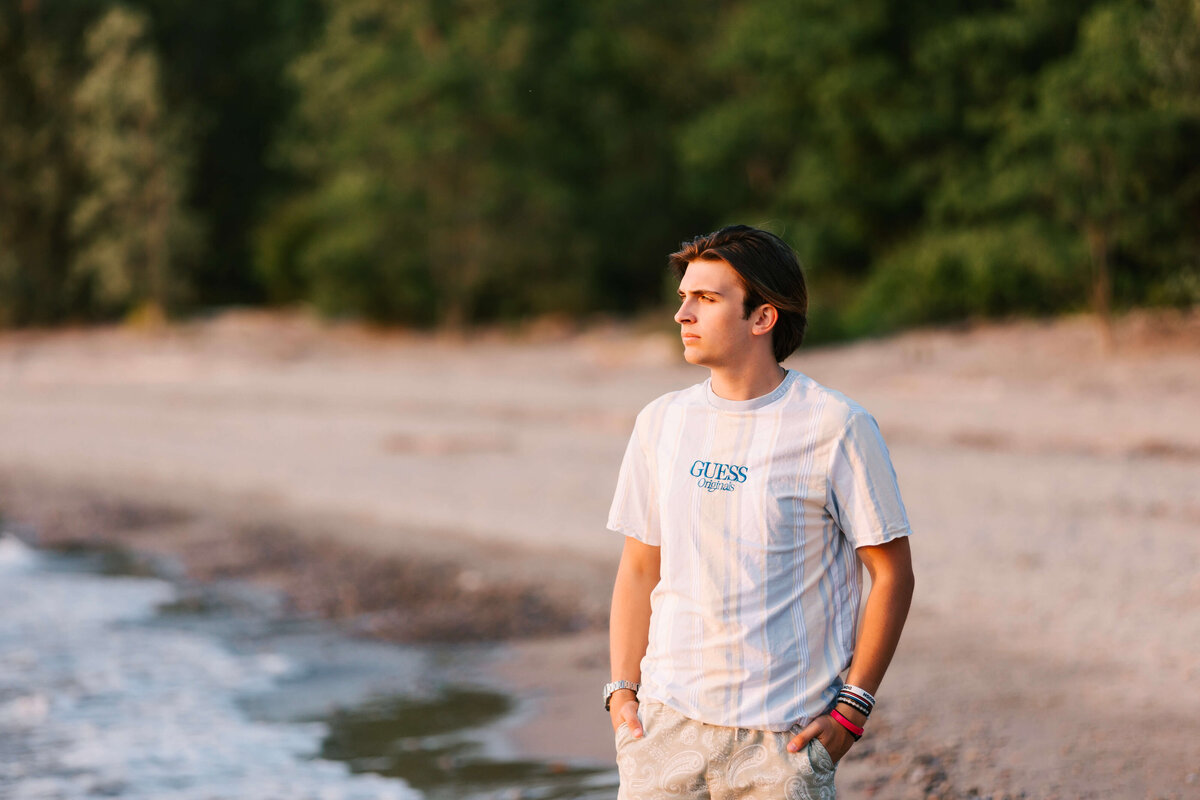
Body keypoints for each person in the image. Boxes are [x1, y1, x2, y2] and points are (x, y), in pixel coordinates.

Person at [604, 225, 915, 799]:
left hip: (783, 742)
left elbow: (892, 572)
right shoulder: (661, 422)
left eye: (707, 298)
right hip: (665, 725)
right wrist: (622, 693)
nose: (683, 314)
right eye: (683, 298)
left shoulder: (836, 426)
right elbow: (640, 566)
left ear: (762, 318)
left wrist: (852, 712)